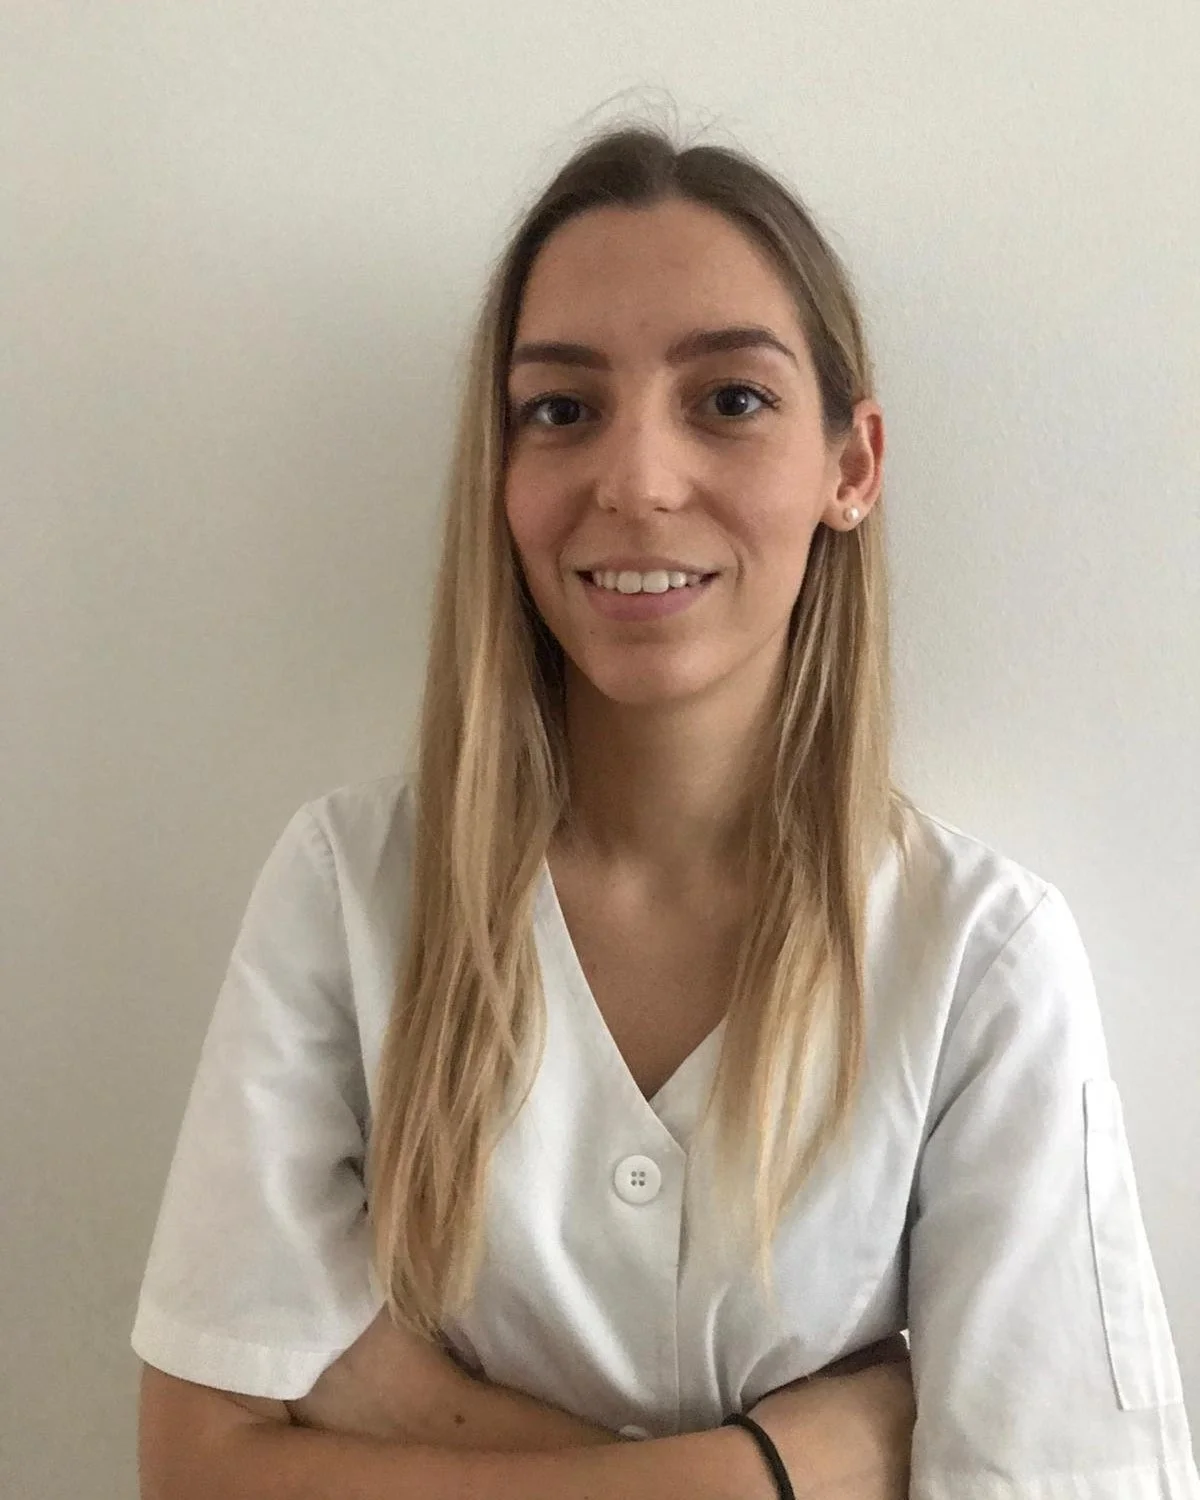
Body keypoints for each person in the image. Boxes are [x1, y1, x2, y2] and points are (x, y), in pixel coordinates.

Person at [133, 125, 1199, 1500]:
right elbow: (194, 1466)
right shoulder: (348, 887)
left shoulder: (982, 960)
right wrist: (780, 1467)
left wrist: (392, 1407)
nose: (635, 480)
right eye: (560, 410)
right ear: (501, 472)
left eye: (730, 400)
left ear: (852, 466)